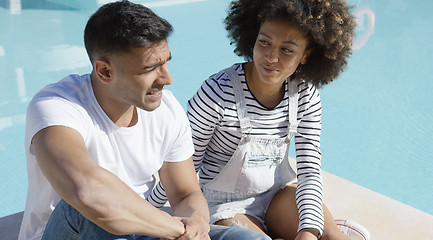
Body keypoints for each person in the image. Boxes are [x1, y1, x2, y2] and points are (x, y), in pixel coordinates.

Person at [18, 1, 272, 240]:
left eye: (166, 63)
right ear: (105, 71)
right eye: (151, 68)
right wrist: (175, 228)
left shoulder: (167, 109)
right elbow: (87, 192)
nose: (166, 78)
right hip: (72, 231)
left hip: (147, 230)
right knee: (79, 208)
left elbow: (186, 192)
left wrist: (194, 224)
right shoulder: (56, 106)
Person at [149, 0, 370, 240]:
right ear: (253, 37)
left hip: (276, 196)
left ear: (306, 55)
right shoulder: (218, 91)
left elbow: (309, 172)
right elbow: (183, 166)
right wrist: (149, 211)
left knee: (332, 237)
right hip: (222, 206)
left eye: (287, 50)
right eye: (264, 42)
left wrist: (309, 230)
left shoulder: (305, 95)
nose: (271, 57)